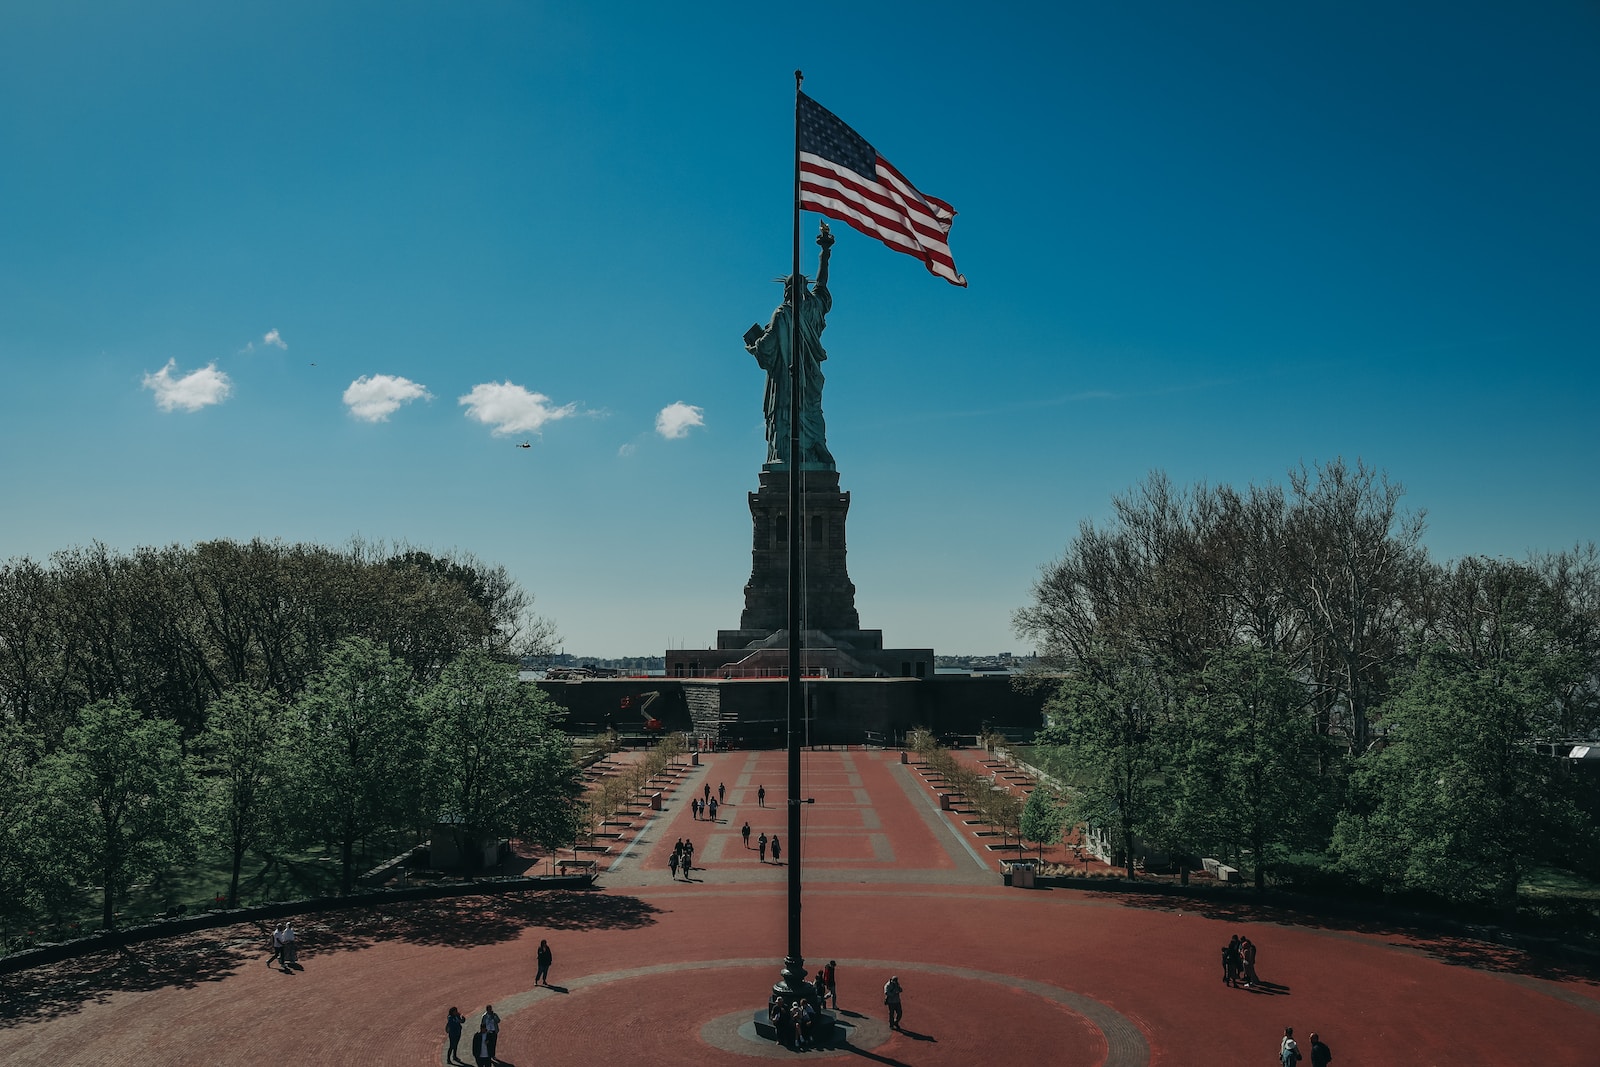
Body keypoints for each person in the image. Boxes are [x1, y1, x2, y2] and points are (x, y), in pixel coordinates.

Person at [745, 221, 837, 469]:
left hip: (787, 382)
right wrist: (825, 253)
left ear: (786, 291)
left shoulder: (782, 313)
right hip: (808, 379)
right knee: (811, 412)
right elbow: (822, 284)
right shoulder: (812, 308)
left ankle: (786, 455)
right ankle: (816, 450)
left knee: (787, 414)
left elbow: (766, 348)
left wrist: (753, 346)